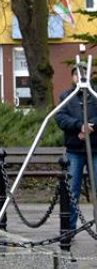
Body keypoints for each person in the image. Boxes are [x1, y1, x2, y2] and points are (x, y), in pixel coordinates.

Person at [55, 65, 97, 232]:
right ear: (72, 77)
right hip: (75, 151)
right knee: (71, 190)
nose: (80, 78)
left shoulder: (95, 95)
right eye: (76, 75)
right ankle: (68, 230)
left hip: (95, 149)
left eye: (83, 74)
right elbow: (60, 117)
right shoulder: (66, 96)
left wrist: (91, 127)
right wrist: (79, 126)